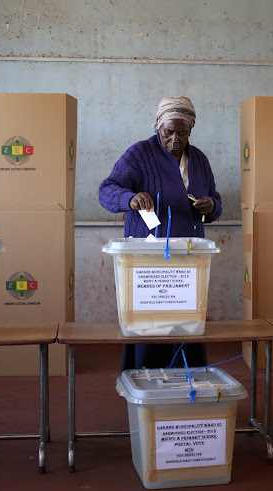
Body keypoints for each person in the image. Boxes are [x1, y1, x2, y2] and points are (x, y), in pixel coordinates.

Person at [99, 96, 222, 371]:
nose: (175, 139)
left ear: (191, 131)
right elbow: (106, 190)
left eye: (182, 133)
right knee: (149, 322)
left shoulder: (199, 159)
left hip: (188, 259)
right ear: (158, 126)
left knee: (185, 322)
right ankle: (144, 383)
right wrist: (129, 199)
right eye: (169, 132)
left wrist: (211, 205)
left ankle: (185, 382)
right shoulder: (139, 154)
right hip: (149, 259)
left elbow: (216, 200)